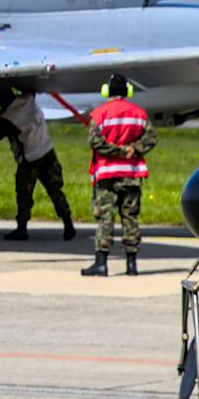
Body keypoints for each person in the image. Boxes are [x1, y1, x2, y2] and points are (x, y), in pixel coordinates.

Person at [80, 74, 153, 276]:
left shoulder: (99, 114)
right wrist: (133, 149)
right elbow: (151, 139)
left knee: (106, 218)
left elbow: (95, 142)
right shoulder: (139, 114)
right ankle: (132, 265)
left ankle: (101, 264)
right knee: (130, 217)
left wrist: (116, 151)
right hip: (132, 175)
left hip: (106, 174)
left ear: (107, 91)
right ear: (128, 91)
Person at [0, 77, 74, 241]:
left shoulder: (9, 118)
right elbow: (30, 89)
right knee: (55, 191)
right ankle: (68, 224)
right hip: (48, 151)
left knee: (24, 195)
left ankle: (22, 229)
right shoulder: (28, 99)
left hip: (30, 159)